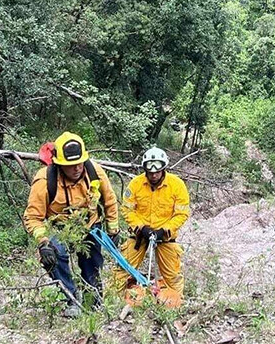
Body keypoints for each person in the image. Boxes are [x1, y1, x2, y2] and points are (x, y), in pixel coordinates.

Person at [24, 132, 119, 318]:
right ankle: (70, 298)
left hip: (90, 225)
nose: (76, 168)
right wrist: (43, 242)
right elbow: (33, 216)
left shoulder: (94, 172)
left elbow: (109, 200)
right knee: (53, 254)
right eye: (70, 165)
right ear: (59, 164)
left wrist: (113, 229)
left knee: (92, 263)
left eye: (79, 163)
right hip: (60, 228)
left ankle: (93, 299)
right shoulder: (44, 181)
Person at [114, 146, 191, 304]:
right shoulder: (135, 184)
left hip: (165, 237)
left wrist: (164, 231)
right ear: (145, 170)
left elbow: (182, 213)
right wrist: (141, 227)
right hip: (139, 236)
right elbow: (127, 209)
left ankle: (173, 304)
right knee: (121, 270)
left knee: (172, 276)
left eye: (157, 172)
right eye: (150, 172)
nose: (154, 175)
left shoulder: (177, 185)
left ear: (164, 169)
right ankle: (113, 302)